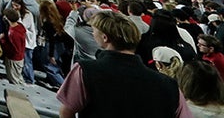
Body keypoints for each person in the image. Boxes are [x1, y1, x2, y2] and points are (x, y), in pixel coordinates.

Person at [57, 9, 192, 118]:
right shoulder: (169, 85)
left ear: (105, 37)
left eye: (94, 31)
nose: (93, 34)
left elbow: (66, 112)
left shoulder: (84, 70)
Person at [1, 6, 27, 84]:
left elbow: (14, 48)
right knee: (18, 77)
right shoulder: (20, 26)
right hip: (20, 57)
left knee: (14, 79)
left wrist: (3, 40)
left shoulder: (12, 33)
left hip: (13, 58)